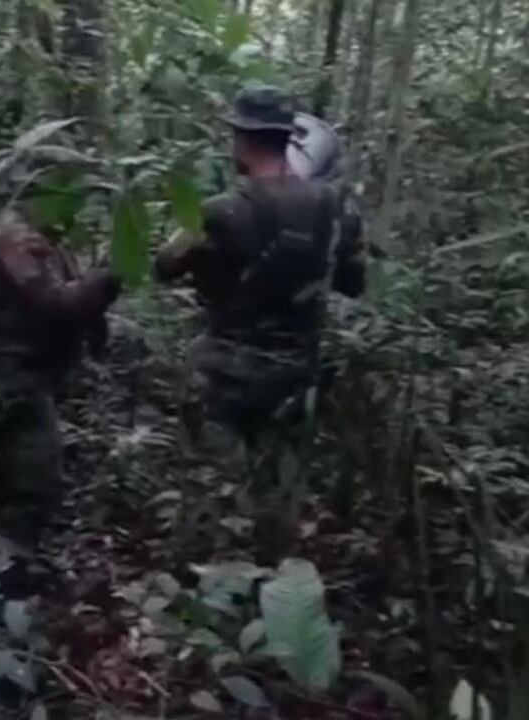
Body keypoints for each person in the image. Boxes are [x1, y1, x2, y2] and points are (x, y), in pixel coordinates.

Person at [153, 85, 366, 557]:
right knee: (280, 494)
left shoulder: (220, 212)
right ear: (289, 137)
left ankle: (199, 591)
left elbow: (163, 266)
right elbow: (354, 282)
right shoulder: (337, 211)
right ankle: (273, 589)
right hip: (293, 377)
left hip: (224, 375)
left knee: (208, 488)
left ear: (241, 138)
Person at [0, 202, 122, 550]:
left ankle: (9, 568)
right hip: (13, 377)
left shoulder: (46, 237)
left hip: (32, 373)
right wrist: (112, 273)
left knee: (27, 480)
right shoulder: (15, 240)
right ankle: (3, 578)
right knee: (30, 483)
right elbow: (56, 303)